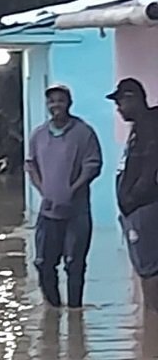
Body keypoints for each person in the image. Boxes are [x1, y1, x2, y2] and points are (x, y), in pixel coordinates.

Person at [26, 84, 102, 309]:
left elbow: (93, 165)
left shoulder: (83, 132)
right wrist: (42, 190)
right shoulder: (38, 135)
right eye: (51, 101)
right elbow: (31, 165)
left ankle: (75, 313)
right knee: (43, 263)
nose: (55, 105)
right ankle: (53, 312)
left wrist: (74, 188)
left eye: (60, 100)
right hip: (48, 212)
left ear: (69, 103)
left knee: (74, 263)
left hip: (76, 212)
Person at [107, 78, 158, 312]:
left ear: (132, 98)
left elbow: (150, 170)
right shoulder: (140, 127)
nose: (118, 108)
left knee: (149, 271)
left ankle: (152, 322)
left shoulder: (149, 127)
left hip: (144, 209)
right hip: (136, 210)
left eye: (120, 102)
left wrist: (131, 201)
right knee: (145, 269)